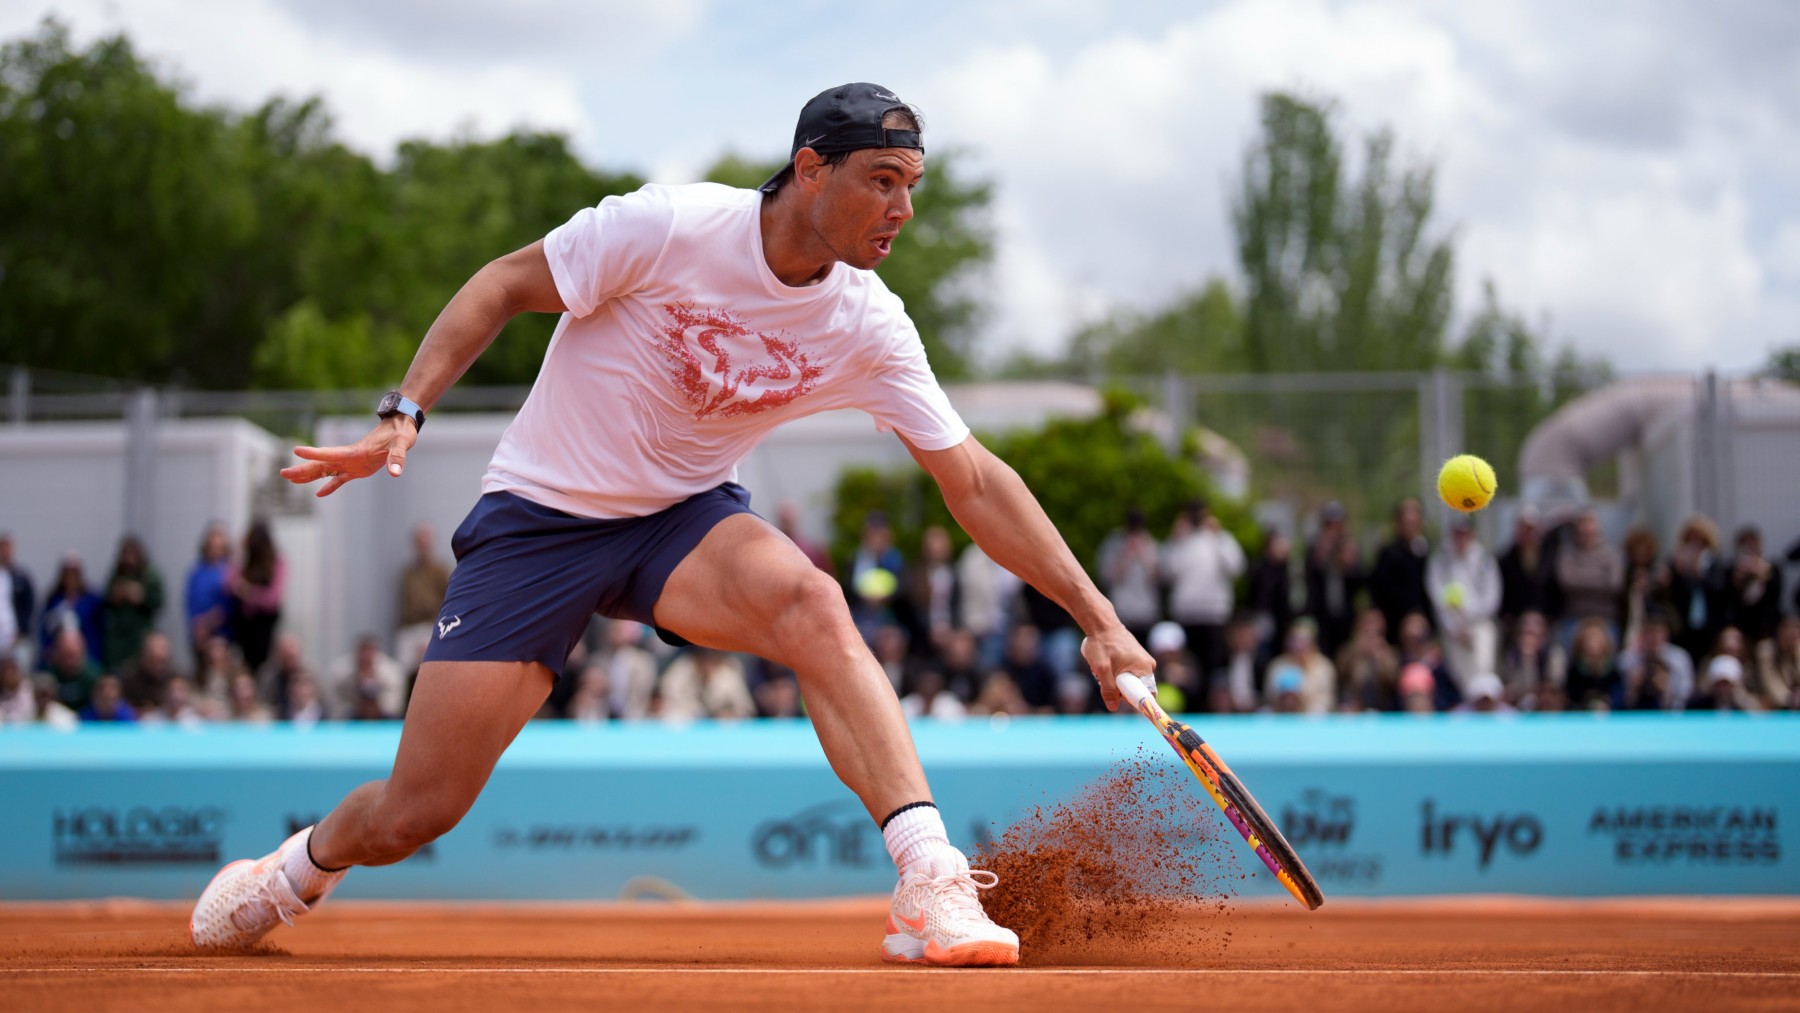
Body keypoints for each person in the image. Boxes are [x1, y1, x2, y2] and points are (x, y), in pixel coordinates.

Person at [191, 84, 1153, 965]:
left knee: (813, 603)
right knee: (416, 811)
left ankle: (932, 878)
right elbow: (499, 286)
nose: (902, 209)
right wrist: (402, 412)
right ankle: (294, 872)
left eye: (913, 186)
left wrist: (1098, 617)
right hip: (541, 519)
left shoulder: (869, 322)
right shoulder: (667, 226)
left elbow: (975, 481)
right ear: (810, 167)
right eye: (882, 181)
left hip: (683, 522)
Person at [1162, 499, 1244, 677]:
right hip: (1186, 613)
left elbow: (1236, 566)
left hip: (1214, 612)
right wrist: (1176, 539)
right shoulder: (1180, 540)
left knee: (1214, 664)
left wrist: (1218, 535)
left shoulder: (1219, 538)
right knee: (1188, 666)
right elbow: (1168, 572)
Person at [1425, 516, 1501, 694]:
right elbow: (1437, 596)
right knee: (1460, 677)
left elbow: (1491, 599)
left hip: (1480, 625)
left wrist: (1467, 615)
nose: (1461, 538)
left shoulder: (1484, 559)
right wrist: (1454, 626)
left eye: (1465, 533)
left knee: (1483, 670)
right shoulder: (1440, 561)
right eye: (1457, 534)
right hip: (1452, 628)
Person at [1096, 506, 1163, 648]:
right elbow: (1107, 578)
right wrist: (1126, 554)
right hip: (1122, 613)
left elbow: (1159, 579)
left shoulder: (1150, 544)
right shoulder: (1113, 544)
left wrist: (1143, 555)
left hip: (1146, 614)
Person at [1303, 501, 1362, 660]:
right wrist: (1321, 556)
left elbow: (1360, 583)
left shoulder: (1350, 548)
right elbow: (1308, 580)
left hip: (1345, 615)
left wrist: (1350, 566)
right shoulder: (1315, 548)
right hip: (1321, 614)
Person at [1369, 497, 1432, 643]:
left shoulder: (1426, 552)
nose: (1411, 526)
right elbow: (1380, 590)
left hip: (1423, 627)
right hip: (1395, 626)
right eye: (1407, 522)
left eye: (1415, 522)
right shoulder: (1388, 554)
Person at [394, 523, 453, 675]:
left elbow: (447, 599)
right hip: (410, 626)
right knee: (402, 670)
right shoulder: (408, 572)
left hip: (431, 625)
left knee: (432, 668)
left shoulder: (440, 570)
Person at [230, 520, 286, 674]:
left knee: (262, 666)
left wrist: (249, 592)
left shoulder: (277, 563)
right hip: (243, 624)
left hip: (264, 626)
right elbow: (229, 584)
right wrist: (237, 552)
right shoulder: (245, 561)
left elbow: (272, 599)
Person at [101, 535, 165, 671]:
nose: (129, 559)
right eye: (125, 555)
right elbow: (105, 602)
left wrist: (141, 597)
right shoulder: (116, 574)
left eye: (132, 555)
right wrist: (116, 596)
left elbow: (159, 602)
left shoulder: (149, 575)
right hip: (119, 635)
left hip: (140, 632)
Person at [185, 523, 235, 672]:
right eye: (212, 546)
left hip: (222, 633)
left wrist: (208, 624)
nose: (215, 550)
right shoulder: (196, 572)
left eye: (219, 547)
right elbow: (189, 602)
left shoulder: (229, 571)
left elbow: (228, 604)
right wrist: (197, 626)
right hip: (199, 633)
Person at [39, 552, 103, 665]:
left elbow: (98, 628)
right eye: (68, 574)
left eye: (74, 574)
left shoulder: (92, 599)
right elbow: (46, 628)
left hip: (87, 656)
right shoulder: (54, 599)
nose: (71, 578)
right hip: (59, 657)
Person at [0, 533, 36, 664]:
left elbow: (29, 605)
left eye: (8, 548)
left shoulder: (21, 577)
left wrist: (22, 631)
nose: (5, 552)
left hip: (16, 638)